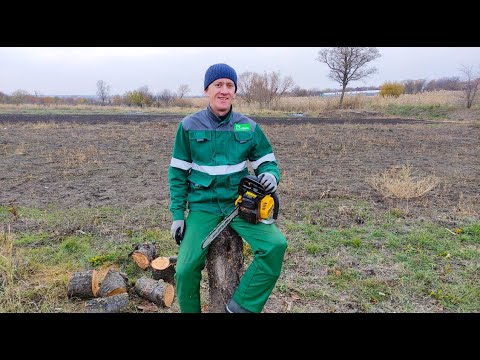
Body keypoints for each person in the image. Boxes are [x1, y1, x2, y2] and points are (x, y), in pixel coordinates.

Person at [168, 63, 287, 313]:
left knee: (275, 245)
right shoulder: (189, 126)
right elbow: (177, 173)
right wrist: (178, 215)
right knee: (185, 269)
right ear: (206, 90)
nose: (224, 90)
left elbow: (267, 161)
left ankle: (242, 305)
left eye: (229, 85)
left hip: (240, 205)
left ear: (235, 91)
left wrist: (270, 175)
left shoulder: (248, 126)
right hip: (204, 207)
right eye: (218, 85)